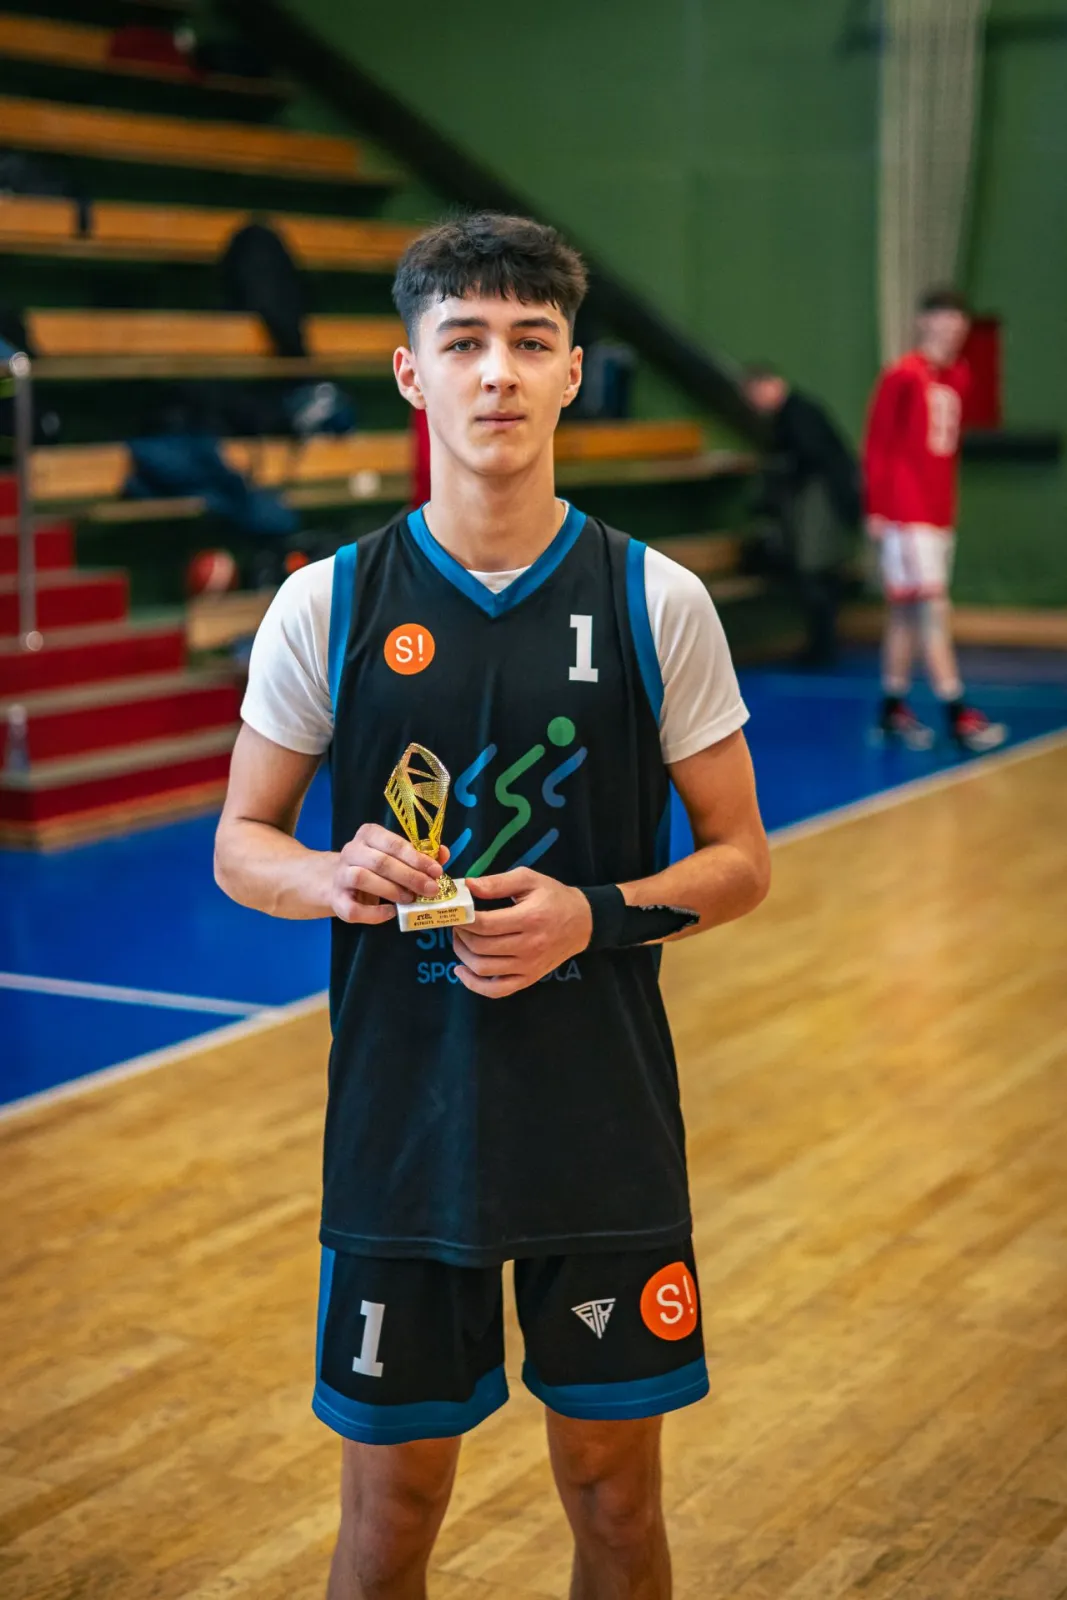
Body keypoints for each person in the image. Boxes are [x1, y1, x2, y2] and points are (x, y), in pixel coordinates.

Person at [215, 211, 770, 1600]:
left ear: (572, 372)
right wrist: (330, 876)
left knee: (614, 1502)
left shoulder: (655, 600)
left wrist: (594, 915)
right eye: (462, 341)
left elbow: (739, 861)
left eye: (530, 342)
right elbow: (239, 843)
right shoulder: (325, 603)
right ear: (412, 374)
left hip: (601, 1122)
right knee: (390, 1513)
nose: (497, 373)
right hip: (403, 1128)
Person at [862, 287, 1007, 752]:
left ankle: (891, 707)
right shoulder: (902, 374)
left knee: (905, 614)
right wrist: (878, 508)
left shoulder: (958, 376)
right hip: (908, 514)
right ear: (923, 321)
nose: (951, 326)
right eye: (942, 317)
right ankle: (957, 712)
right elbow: (879, 442)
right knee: (932, 611)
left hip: (939, 512)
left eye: (958, 319)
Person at [743, 365, 860, 666]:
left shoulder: (797, 415)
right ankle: (822, 642)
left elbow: (810, 457)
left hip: (820, 500)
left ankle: (822, 643)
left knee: (812, 569)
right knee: (816, 571)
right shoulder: (797, 413)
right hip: (825, 500)